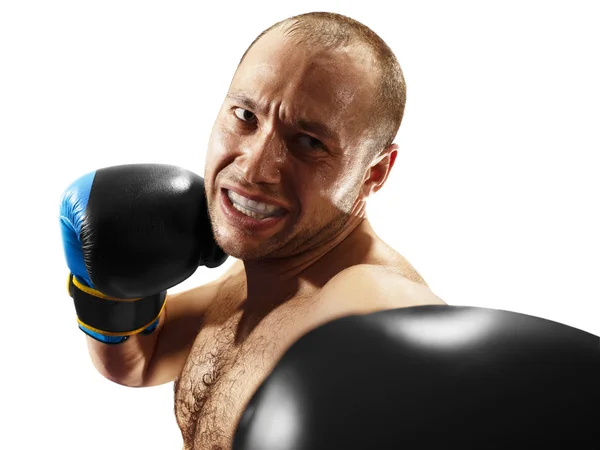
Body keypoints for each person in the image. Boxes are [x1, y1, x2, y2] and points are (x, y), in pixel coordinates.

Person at [60, 11, 445, 450]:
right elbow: (139, 361)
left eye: (309, 142)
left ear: (374, 172)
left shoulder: (371, 300)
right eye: (245, 115)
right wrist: (103, 286)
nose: (254, 167)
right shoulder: (258, 275)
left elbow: (413, 341)